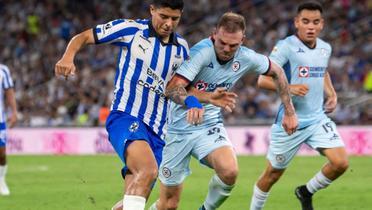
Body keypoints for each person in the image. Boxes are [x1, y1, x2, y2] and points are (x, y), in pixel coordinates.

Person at [55, 1, 211, 210]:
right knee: (147, 171)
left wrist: (194, 101)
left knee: (132, 199)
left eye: (174, 19)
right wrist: (68, 56)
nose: (168, 23)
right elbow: (83, 37)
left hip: (158, 132)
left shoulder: (181, 48)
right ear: (152, 10)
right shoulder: (131, 30)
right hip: (126, 116)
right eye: (163, 16)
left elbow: (175, 89)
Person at [149, 12, 298, 210]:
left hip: (208, 125)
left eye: (233, 45)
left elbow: (277, 72)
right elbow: (172, 88)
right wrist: (194, 101)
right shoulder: (201, 53)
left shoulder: (247, 57)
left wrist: (289, 112)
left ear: (242, 40)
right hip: (176, 130)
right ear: (214, 35)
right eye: (222, 43)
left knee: (229, 171)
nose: (227, 49)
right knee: (168, 205)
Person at [249, 2, 349, 210]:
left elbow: (321, 71)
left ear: (322, 24)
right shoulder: (285, 47)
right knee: (271, 176)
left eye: (315, 22)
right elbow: (262, 80)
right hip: (289, 122)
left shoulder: (325, 48)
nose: (310, 26)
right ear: (297, 23)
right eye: (305, 21)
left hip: (317, 119)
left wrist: (332, 93)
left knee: (340, 163)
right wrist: (291, 87)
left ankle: (305, 191)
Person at [0, 64, 18, 196]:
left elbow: (9, 92)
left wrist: (14, 112)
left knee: (1, 153)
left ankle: (1, 180)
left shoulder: (3, 70)